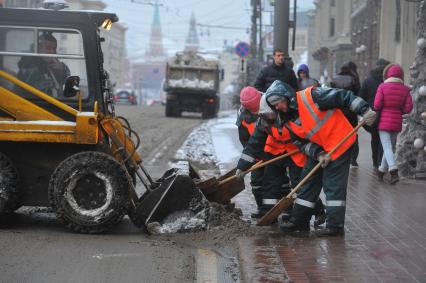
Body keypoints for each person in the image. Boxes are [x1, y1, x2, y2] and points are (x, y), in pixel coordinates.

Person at [263, 80, 376, 236]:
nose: (277, 107)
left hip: (339, 142)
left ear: (287, 96)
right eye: (274, 106)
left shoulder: (312, 96)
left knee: (333, 184)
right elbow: (300, 143)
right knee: (307, 182)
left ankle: (334, 226)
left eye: (278, 103)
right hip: (321, 148)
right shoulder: (286, 119)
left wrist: (364, 110)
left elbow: (343, 96)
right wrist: (318, 153)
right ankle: (300, 221)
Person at [235, 88, 325, 224]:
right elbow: (254, 144)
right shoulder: (263, 119)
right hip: (274, 150)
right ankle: (268, 213)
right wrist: (242, 167)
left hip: (295, 150)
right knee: (270, 183)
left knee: (299, 184)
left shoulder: (286, 111)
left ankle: (318, 211)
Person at [374, 64, 413, 184]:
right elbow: (408, 108)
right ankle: (381, 171)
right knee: (389, 147)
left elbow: (377, 105)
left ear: (388, 74)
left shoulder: (382, 86)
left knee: (387, 147)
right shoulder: (406, 89)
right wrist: (399, 110)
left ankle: (393, 170)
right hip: (397, 122)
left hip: (384, 122)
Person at [236, 86, 264, 217]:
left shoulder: (269, 104)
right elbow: (245, 141)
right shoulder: (243, 117)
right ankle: (262, 208)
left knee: (279, 182)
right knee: (257, 182)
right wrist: (251, 159)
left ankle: (286, 209)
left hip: (276, 150)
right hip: (256, 153)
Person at [359, 59, 390, 170]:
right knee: (385, 139)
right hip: (387, 114)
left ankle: (375, 163)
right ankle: (381, 161)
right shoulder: (388, 81)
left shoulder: (368, 81)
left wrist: (364, 111)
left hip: (372, 114)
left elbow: (361, 97)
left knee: (375, 137)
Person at [17, 32, 70, 98]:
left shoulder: (50, 62)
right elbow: (44, 90)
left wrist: (62, 69)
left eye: (54, 48)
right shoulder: (28, 66)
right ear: (38, 48)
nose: (52, 52)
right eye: (48, 48)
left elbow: (67, 81)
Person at [330, 62, 361, 167]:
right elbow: (358, 95)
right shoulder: (353, 79)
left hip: (339, 111)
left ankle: (339, 155)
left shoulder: (334, 79)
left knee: (339, 134)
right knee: (353, 134)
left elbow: (331, 95)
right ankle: (353, 159)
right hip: (351, 111)